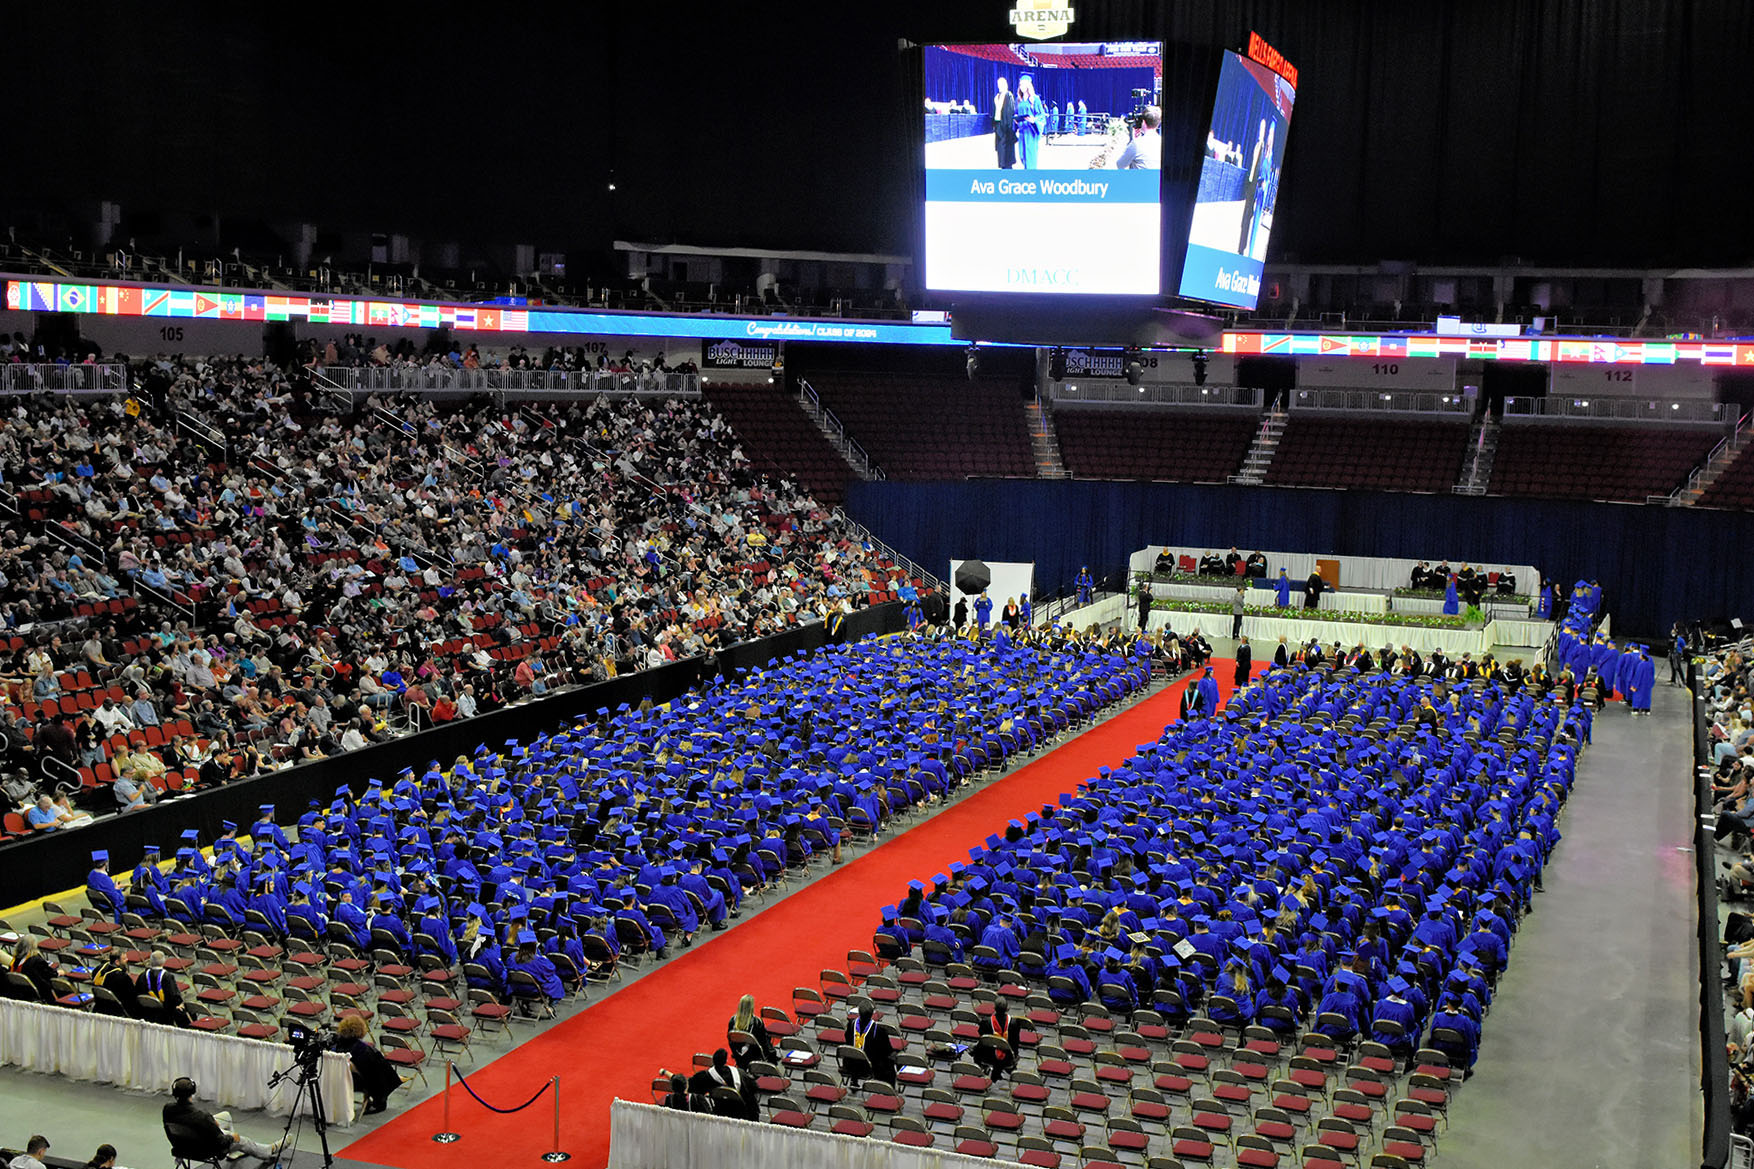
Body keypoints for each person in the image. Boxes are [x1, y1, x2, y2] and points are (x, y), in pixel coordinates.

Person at [162, 1077, 284, 1162]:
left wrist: (211, 1124)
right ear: (192, 1093)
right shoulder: (202, 1116)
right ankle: (268, 1151)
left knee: (226, 1116)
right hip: (204, 1149)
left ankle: (234, 1152)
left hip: (183, 1146)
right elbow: (220, 1142)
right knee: (243, 1140)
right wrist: (232, 1137)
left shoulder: (167, 1109)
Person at [334, 1015, 401, 1115]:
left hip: (340, 1079)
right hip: (358, 1082)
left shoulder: (335, 1045)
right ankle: (379, 1102)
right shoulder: (363, 1050)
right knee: (382, 1072)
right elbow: (374, 1072)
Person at [690, 1048, 757, 1119]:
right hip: (739, 1114)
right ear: (726, 1061)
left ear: (713, 1060)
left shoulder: (706, 1076)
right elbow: (754, 1088)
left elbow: (692, 1088)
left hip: (718, 1112)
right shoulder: (740, 1074)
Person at [971, 999, 1023, 1081]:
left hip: (988, 1055)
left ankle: (984, 1067)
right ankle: (997, 1072)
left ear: (994, 1008)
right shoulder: (1014, 1023)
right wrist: (1015, 1055)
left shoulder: (986, 1022)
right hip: (1007, 1057)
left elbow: (981, 1035)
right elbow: (1015, 1042)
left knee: (977, 1047)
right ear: (1007, 1009)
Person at [138, 951, 192, 1026]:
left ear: (150, 961)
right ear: (163, 961)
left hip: (147, 1011)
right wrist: (179, 1003)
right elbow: (174, 995)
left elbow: (138, 992)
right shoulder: (167, 977)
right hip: (165, 1012)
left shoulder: (143, 976)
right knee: (186, 1010)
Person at [848, 1003, 897, 1085]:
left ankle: (854, 1080)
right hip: (869, 1066)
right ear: (872, 1014)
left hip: (850, 1063)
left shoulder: (850, 1025)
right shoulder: (879, 1031)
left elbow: (848, 1041)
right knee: (890, 1061)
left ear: (859, 1013)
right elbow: (887, 1050)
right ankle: (890, 1090)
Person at [1013, 73, 1045, 170]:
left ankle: (1031, 178)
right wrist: (1015, 119)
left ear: (1028, 85)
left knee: (1030, 158)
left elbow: (1041, 116)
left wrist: (1033, 120)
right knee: (1022, 156)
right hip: (1022, 131)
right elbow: (1016, 113)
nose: (1021, 86)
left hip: (1031, 132)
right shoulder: (1019, 100)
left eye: (1023, 84)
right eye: (1020, 84)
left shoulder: (1035, 99)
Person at [993, 75, 1017, 169]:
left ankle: (1007, 168)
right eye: (998, 84)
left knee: (1006, 151)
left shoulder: (1008, 95)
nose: (1000, 86)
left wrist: (1007, 127)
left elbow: (1010, 112)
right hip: (999, 126)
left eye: (1001, 84)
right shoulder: (997, 97)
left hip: (1006, 127)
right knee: (1000, 150)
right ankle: (1002, 166)